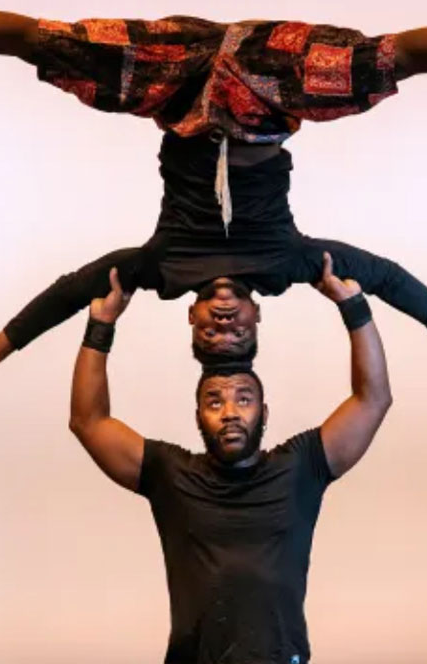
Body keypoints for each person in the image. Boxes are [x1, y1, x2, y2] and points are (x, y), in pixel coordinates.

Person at [0, 133, 427, 408]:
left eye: (209, 332)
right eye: (235, 331)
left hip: (186, 112)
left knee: (46, 48)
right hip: (260, 118)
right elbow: (389, 278)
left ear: (188, 316)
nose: (222, 322)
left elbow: (66, 294)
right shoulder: (291, 266)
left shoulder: (159, 271)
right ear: (256, 316)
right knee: (391, 65)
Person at [67, 257, 391, 664]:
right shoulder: (171, 474)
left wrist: (354, 308)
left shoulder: (299, 468)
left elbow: (373, 399)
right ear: (198, 416)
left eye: (244, 398)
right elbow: (88, 421)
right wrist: (101, 326)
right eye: (214, 401)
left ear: (264, 413)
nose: (230, 412)